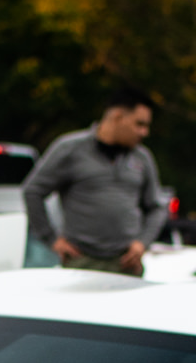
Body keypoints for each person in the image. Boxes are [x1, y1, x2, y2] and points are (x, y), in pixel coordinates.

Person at [20, 88, 165, 276]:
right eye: (139, 124)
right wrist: (51, 239)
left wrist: (142, 243)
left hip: (126, 262)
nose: (144, 132)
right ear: (118, 117)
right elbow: (33, 191)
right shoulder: (70, 149)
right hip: (82, 261)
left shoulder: (142, 157)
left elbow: (157, 207)